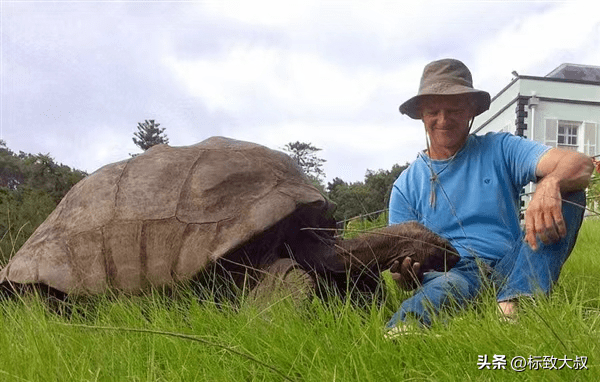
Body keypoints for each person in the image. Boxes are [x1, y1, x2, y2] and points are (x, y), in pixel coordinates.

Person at [385, 58, 594, 336]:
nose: (443, 120)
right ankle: (406, 327)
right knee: (448, 286)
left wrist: (550, 183)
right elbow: (399, 265)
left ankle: (512, 306)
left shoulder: (500, 148)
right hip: (451, 271)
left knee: (569, 192)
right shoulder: (405, 186)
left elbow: (580, 163)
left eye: (454, 109)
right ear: (421, 115)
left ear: (471, 111)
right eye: (433, 110)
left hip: (513, 262)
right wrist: (404, 274)